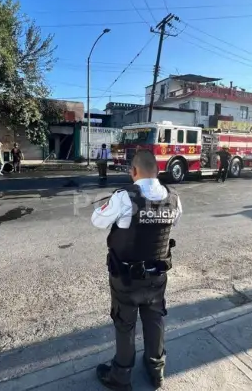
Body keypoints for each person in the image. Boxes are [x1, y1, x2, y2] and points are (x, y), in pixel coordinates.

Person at [91, 149, 183, 391]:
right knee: (155, 320)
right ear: (158, 170)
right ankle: (156, 370)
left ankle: (120, 377)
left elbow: (97, 221)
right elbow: (174, 221)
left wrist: (108, 206)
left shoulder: (124, 197)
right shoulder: (173, 197)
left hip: (127, 279)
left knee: (125, 324)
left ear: (133, 171)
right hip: (157, 277)